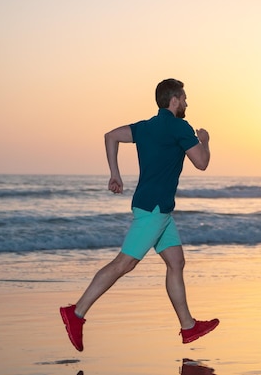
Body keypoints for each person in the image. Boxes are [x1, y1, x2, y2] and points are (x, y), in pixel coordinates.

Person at [60, 78, 219, 352]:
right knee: (124, 264)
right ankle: (75, 313)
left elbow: (110, 136)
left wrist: (114, 174)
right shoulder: (180, 127)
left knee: (176, 262)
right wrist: (204, 141)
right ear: (174, 99)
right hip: (154, 210)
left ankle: (188, 326)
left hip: (159, 210)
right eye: (184, 98)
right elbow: (202, 163)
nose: (187, 103)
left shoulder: (146, 127)